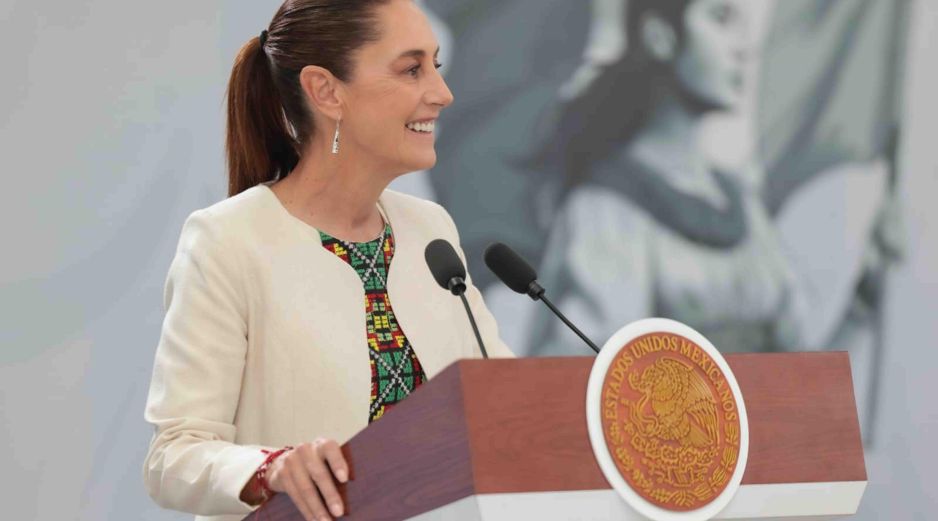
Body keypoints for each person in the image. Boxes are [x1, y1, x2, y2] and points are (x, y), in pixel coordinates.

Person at [142, 1, 514, 520]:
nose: (442, 93)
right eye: (412, 69)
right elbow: (174, 456)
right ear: (325, 91)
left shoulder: (431, 229)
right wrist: (271, 469)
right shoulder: (226, 240)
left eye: (436, 65)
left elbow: (506, 401)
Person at [523, 0, 886, 358]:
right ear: (660, 35)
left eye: (743, 25)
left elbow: (794, 354)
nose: (743, 48)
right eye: (721, 18)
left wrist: (856, 292)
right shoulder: (606, 209)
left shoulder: (739, 203)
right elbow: (589, 367)